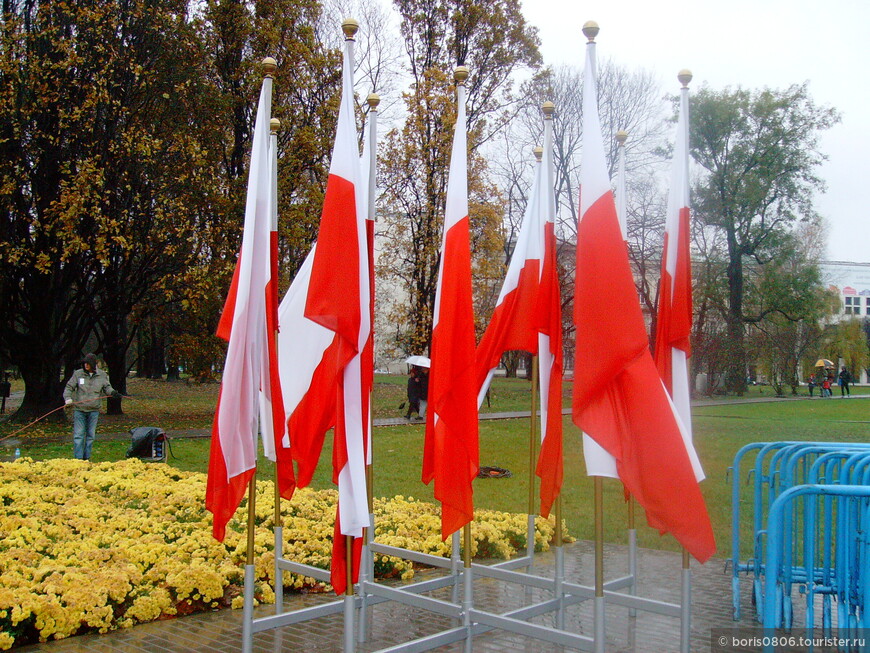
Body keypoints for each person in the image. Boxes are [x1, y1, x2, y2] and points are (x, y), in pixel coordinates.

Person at [63, 353, 121, 460]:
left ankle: (87, 458)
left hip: (94, 411)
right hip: (79, 410)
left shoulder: (102, 375)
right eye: (85, 363)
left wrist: (112, 393)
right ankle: (78, 460)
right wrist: (68, 399)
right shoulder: (78, 374)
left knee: (90, 437)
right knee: (78, 436)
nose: (86, 365)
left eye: (88, 364)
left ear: (93, 364)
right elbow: (69, 387)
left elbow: (107, 387)